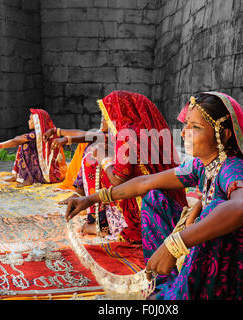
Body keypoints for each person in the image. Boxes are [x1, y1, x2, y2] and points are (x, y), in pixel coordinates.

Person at [64, 92, 243, 300]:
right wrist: (90, 200)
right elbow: (144, 182)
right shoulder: (200, 165)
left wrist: (174, 244)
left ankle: (180, 293)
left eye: (195, 126)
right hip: (202, 250)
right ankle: (163, 280)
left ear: (223, 135)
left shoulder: (232, 167)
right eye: (186, 124)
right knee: (154, 198)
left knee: (214, 211)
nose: (185, 132)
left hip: (235, 261)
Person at [61, 90, 187, 243]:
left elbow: (118, 181)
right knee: (97, 151)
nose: (103, 119)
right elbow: (101, 137)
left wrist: (104, 158)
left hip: (142, 206)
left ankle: (100, 224)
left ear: (116, 112)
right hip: (158, 198)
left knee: (91, 159)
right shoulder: (136, 129)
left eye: (105, 114)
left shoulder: (127, 136)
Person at [0, 109, 67, 187]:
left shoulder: (39, 134)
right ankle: (17, 175)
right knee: (23, 141)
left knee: (24, 144)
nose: (28, 121)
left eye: (31, 119)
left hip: (50, 175)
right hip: (55, 173)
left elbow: (16, 141)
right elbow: (18, 139)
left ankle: (29, 178)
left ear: (38, 122)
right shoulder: (44, 133)